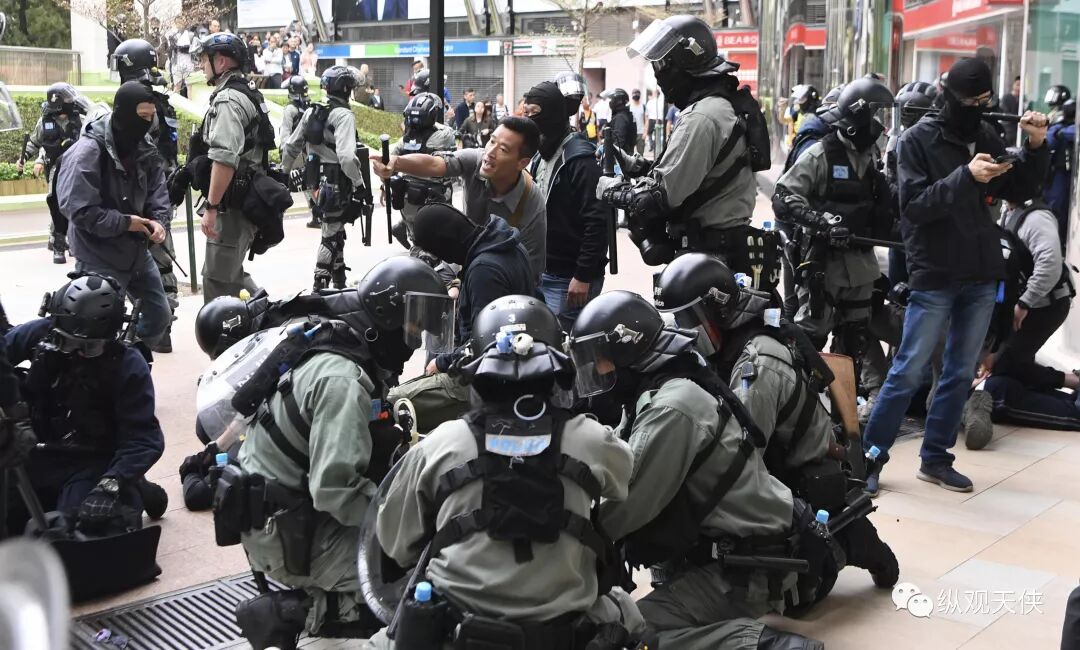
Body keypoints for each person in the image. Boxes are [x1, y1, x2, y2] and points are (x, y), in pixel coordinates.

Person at [363, 294, 645, 650]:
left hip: (456, 631)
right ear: (555, 369)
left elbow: (395, 544)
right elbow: (624, 479)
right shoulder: (592, 440)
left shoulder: (441, 445)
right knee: (628, 614)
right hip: (563, 633)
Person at [572, 291, 829, 648]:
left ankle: (765, 645)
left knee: (623, 634)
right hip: (727, 549)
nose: (597, 371)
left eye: (599, 360)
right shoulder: (663, 385)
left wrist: (563, 532)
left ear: (626, 353)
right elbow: (615, 458)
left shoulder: (671, 409)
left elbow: (623, 507)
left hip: (746, 565)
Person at [230, 258, 453, 650]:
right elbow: (334, 490)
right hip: (289, 534)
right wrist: (406, 522)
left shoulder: (346, 347)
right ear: (386, 319)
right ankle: (307, 613)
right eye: (413, 326)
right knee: (420, 571)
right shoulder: (342, 381)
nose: (416, 338)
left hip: (290, 511)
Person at [654, 253, 900, 590]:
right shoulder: (723, 346)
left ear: (718, 311)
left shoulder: (757, 365)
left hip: (795, 475)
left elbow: (739, 455)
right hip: (771, 459)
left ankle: (854, 547)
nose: (684, 332)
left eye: (689, 320)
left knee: (793, 591)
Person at [862, 58, 1050, 496]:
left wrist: (1036, 145)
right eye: (971, 101)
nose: (978, 108)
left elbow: (1020, 189)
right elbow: (914, 207)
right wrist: (966, 176)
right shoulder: (916, 141)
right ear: (949, 96)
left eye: (985, 100)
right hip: (935, 272)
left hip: (981, 272)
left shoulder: (985, 134)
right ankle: (868, 459)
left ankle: (936, 458)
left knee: (960, 373)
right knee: (908, 370)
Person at [597, 15, 775, 293]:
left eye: (662, 65)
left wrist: (612, 190)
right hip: (717, 251)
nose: (658, 74)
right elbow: (696, 172)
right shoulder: (718, 105)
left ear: (683, 63)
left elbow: (658, 198)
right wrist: (637, 166)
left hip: (711, 257)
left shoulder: (702, 117)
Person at [4, 274, 165, 531]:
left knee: (78, 529)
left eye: (89, 347)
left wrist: (111, 483)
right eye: (66, 343)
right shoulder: (37, 333)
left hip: (91, 461)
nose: (77, 352)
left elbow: (143, 438)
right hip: (33, 451)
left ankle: (133, 487)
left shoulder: (128, 363)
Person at [772, 78, 897, 394]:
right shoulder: (820, 154)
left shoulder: (870, 158)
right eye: (874, 115)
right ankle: (795, 403)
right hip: (823, 268)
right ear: (857, 117)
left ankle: (843, 413)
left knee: (853, 345)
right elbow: (784, 196)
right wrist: (822, 223)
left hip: (861, 270)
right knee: (809, 342)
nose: (878, 125)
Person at [56, 82, 173, 348]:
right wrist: (125, 223)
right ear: (123, 113)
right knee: (97, 327)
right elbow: (79, 210)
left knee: (159, 316)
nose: (146, 123)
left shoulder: (145, 147)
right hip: (97, 255)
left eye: (150, 117)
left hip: (137, 252)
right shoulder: (87, 152)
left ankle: (128, 357)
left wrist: (159, 222)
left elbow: (158, 191)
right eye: (141, 116)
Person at [960, 195, 1077, 449]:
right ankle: (1070, 385)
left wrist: (1024, 303)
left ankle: (1071, 391)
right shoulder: (1008, 212)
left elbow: (1049, 264)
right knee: (1007, 373)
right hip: (1020, 309)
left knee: (1005, 373)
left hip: (1041, 306)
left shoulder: (1034, 217)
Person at [371, 116, 548, 281]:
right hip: (465, 256)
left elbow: (530, 272)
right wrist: (396, 162)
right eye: (492, 141)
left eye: (503, 149)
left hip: (501, 274)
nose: (490, 152)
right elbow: (435, 164)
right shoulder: (477, 160)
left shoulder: (532, 203)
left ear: (522, 163)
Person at [192, 32, 278, 302]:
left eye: (205, 59)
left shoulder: (228, 100)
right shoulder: (244, 92)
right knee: (229, 274)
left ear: (221, 62)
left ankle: (259, 320)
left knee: (218, 281)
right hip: (241, 200)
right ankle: (268, 315)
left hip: (232, 206)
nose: (201, 65)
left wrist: (212, 206)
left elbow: (224, 158)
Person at [111, 38, 183, 354]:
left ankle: (152, 325)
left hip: (143, 192)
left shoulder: (138, 102)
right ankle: (164, 326)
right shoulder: (160, 100)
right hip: (162, 189)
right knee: (163, 257)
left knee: (139, 261)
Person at [524, 81, 609, 329]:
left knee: (568, 345)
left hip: (569, 279)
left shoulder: (579, 159)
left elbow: (598, 219)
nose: (529, 120)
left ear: (552, 114)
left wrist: (583, 275)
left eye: (534, 113)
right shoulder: (541, 155)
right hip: (545, 272)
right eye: (526, 112)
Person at [410, 204, 535, 374]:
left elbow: (486, 342)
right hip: (517, 349)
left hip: (495, 369)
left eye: (437, 251)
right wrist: (456, 285)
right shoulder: (505, 243)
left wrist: (441, 363)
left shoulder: (483, 271)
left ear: (445, 244)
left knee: (412, 389)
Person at [282, 66, 365, 291]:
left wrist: (283, 172)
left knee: (334, 229)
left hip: (314, 181)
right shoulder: (344, 115)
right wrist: (359, 185)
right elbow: (347, 157)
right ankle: (319, 286)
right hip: (336, 181)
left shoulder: (313, 110)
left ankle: (339, 283)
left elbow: (291, 145)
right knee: (330, 235)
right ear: (346, 89)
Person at [21, 83, 90, 265]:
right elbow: (35, 143)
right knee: (57, 203)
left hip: (76, 166)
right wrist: (25, 158)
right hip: (55, 168)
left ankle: (73, 240)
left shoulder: (81, 119)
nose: (71, 101)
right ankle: (59, 245)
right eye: (67, 99)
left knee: (76, 203)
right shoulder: (45, 122)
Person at [387, 91, 457, 246]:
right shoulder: (443, 136)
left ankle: (405, 231)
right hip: (435, 196)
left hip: (407, 197)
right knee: (436, 242)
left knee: (417, 238)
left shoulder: (404, 140)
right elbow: (451, 143)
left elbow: (390, 163)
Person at [1044, 98, 1076, 240]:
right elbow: (1048, 142)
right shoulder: (1058, 127)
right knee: (1056, 208)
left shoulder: (1066, 129)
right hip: (1058, 173)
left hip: (1068, 174)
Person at [602, 88, 636, 155]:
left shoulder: (620, 117)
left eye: (612, 99)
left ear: (618, 101)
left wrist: (611, 155)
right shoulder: (622, 114)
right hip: (625, 153)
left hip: (621, 155)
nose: (610, 102)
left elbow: (619, 141)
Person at [1000, 76, 1022, 144]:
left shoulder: (1022, 99)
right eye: (1017, 85)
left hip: (1019, 131)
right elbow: (1005, 113)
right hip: (1008, 131)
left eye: (1021, 85)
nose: (1019, 87)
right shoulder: (1006, 98)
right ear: (1013, 85)